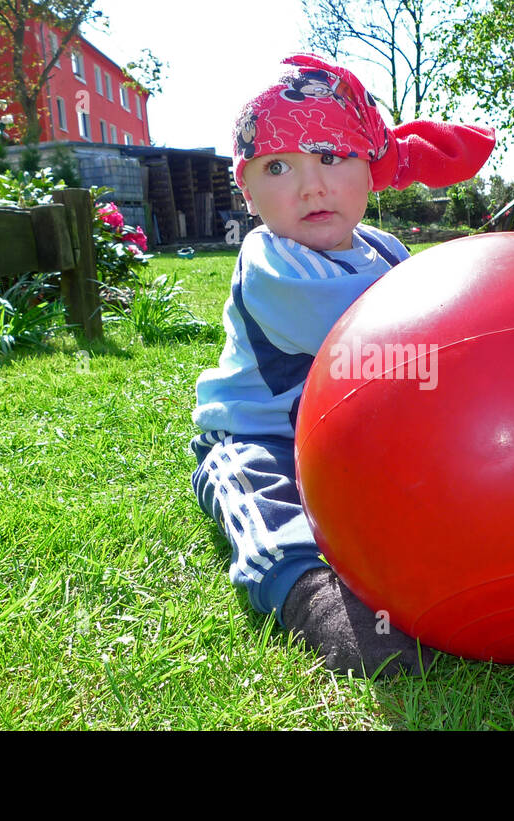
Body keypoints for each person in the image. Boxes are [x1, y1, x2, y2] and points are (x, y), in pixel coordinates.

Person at [188, 53, 495, 678]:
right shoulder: (272, 264)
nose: (310, 186)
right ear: (247, 192)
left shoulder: (385, 249)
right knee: (261, 497)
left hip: (352, 435)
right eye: (278, 167)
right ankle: (314, 599)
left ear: (369, 172)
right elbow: (384, 343)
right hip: (265, 433)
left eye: (331, 157)